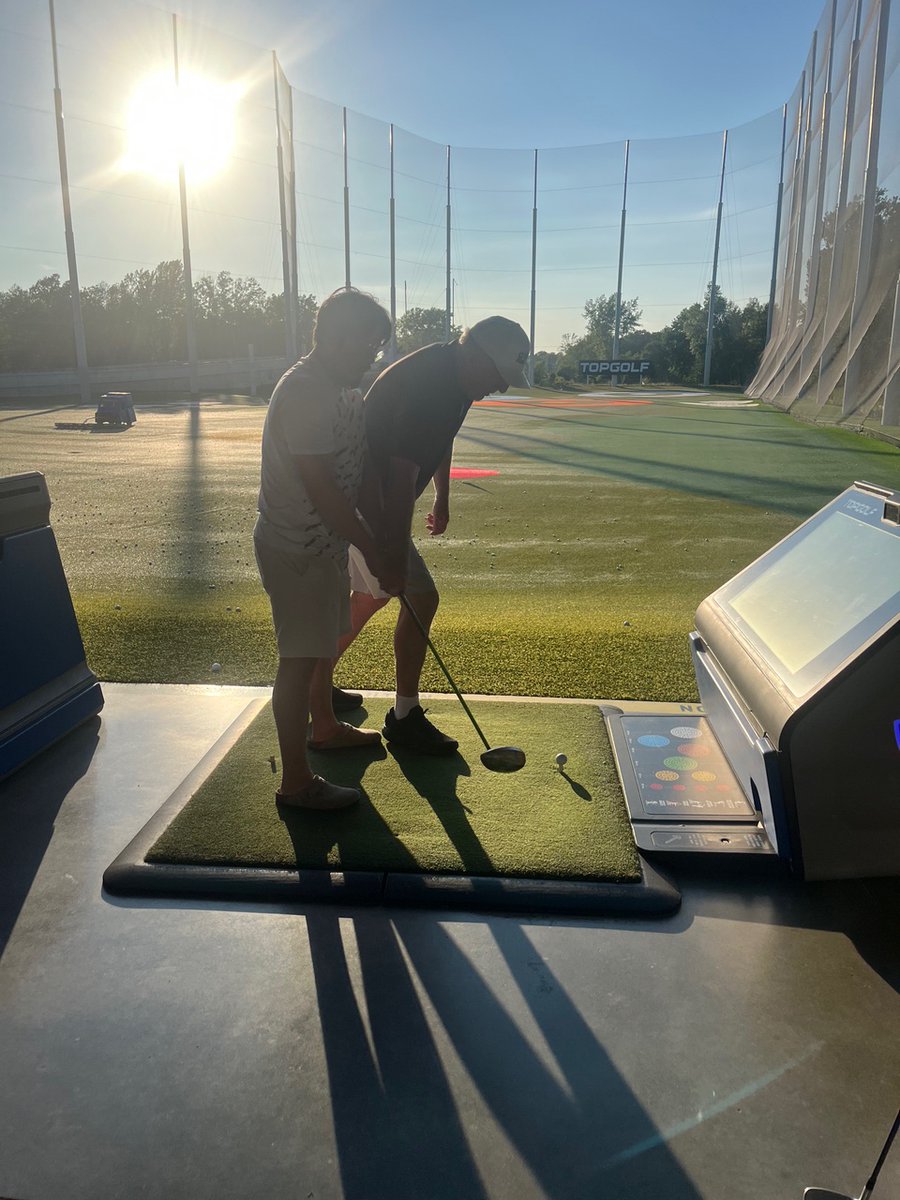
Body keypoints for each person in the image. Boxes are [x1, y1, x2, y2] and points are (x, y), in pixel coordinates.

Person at [335, 316, 531, 754]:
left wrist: (442, 495)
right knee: (420, 596)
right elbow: (400, 478)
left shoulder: (459, 378)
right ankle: (404, 718)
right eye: (499, 374)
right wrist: (393, 553)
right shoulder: (431, 386)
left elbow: (441, 439)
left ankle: (318, 679)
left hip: (372, 496)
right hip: (366, 499)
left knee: (370, 596)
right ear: (476, 354)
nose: (502, 386)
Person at [254, 287, 394, 811]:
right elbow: (321, 487)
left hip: (324, 545)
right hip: (295, 547)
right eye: (367, 346)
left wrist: (379, 537)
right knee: (298, 660)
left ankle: (326, 727)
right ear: (336, 339)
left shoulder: (344, 391)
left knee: (319, 646)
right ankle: (295, 783)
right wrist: (372, 549)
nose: (372, 358)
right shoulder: (306, 391)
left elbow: (355, 471)